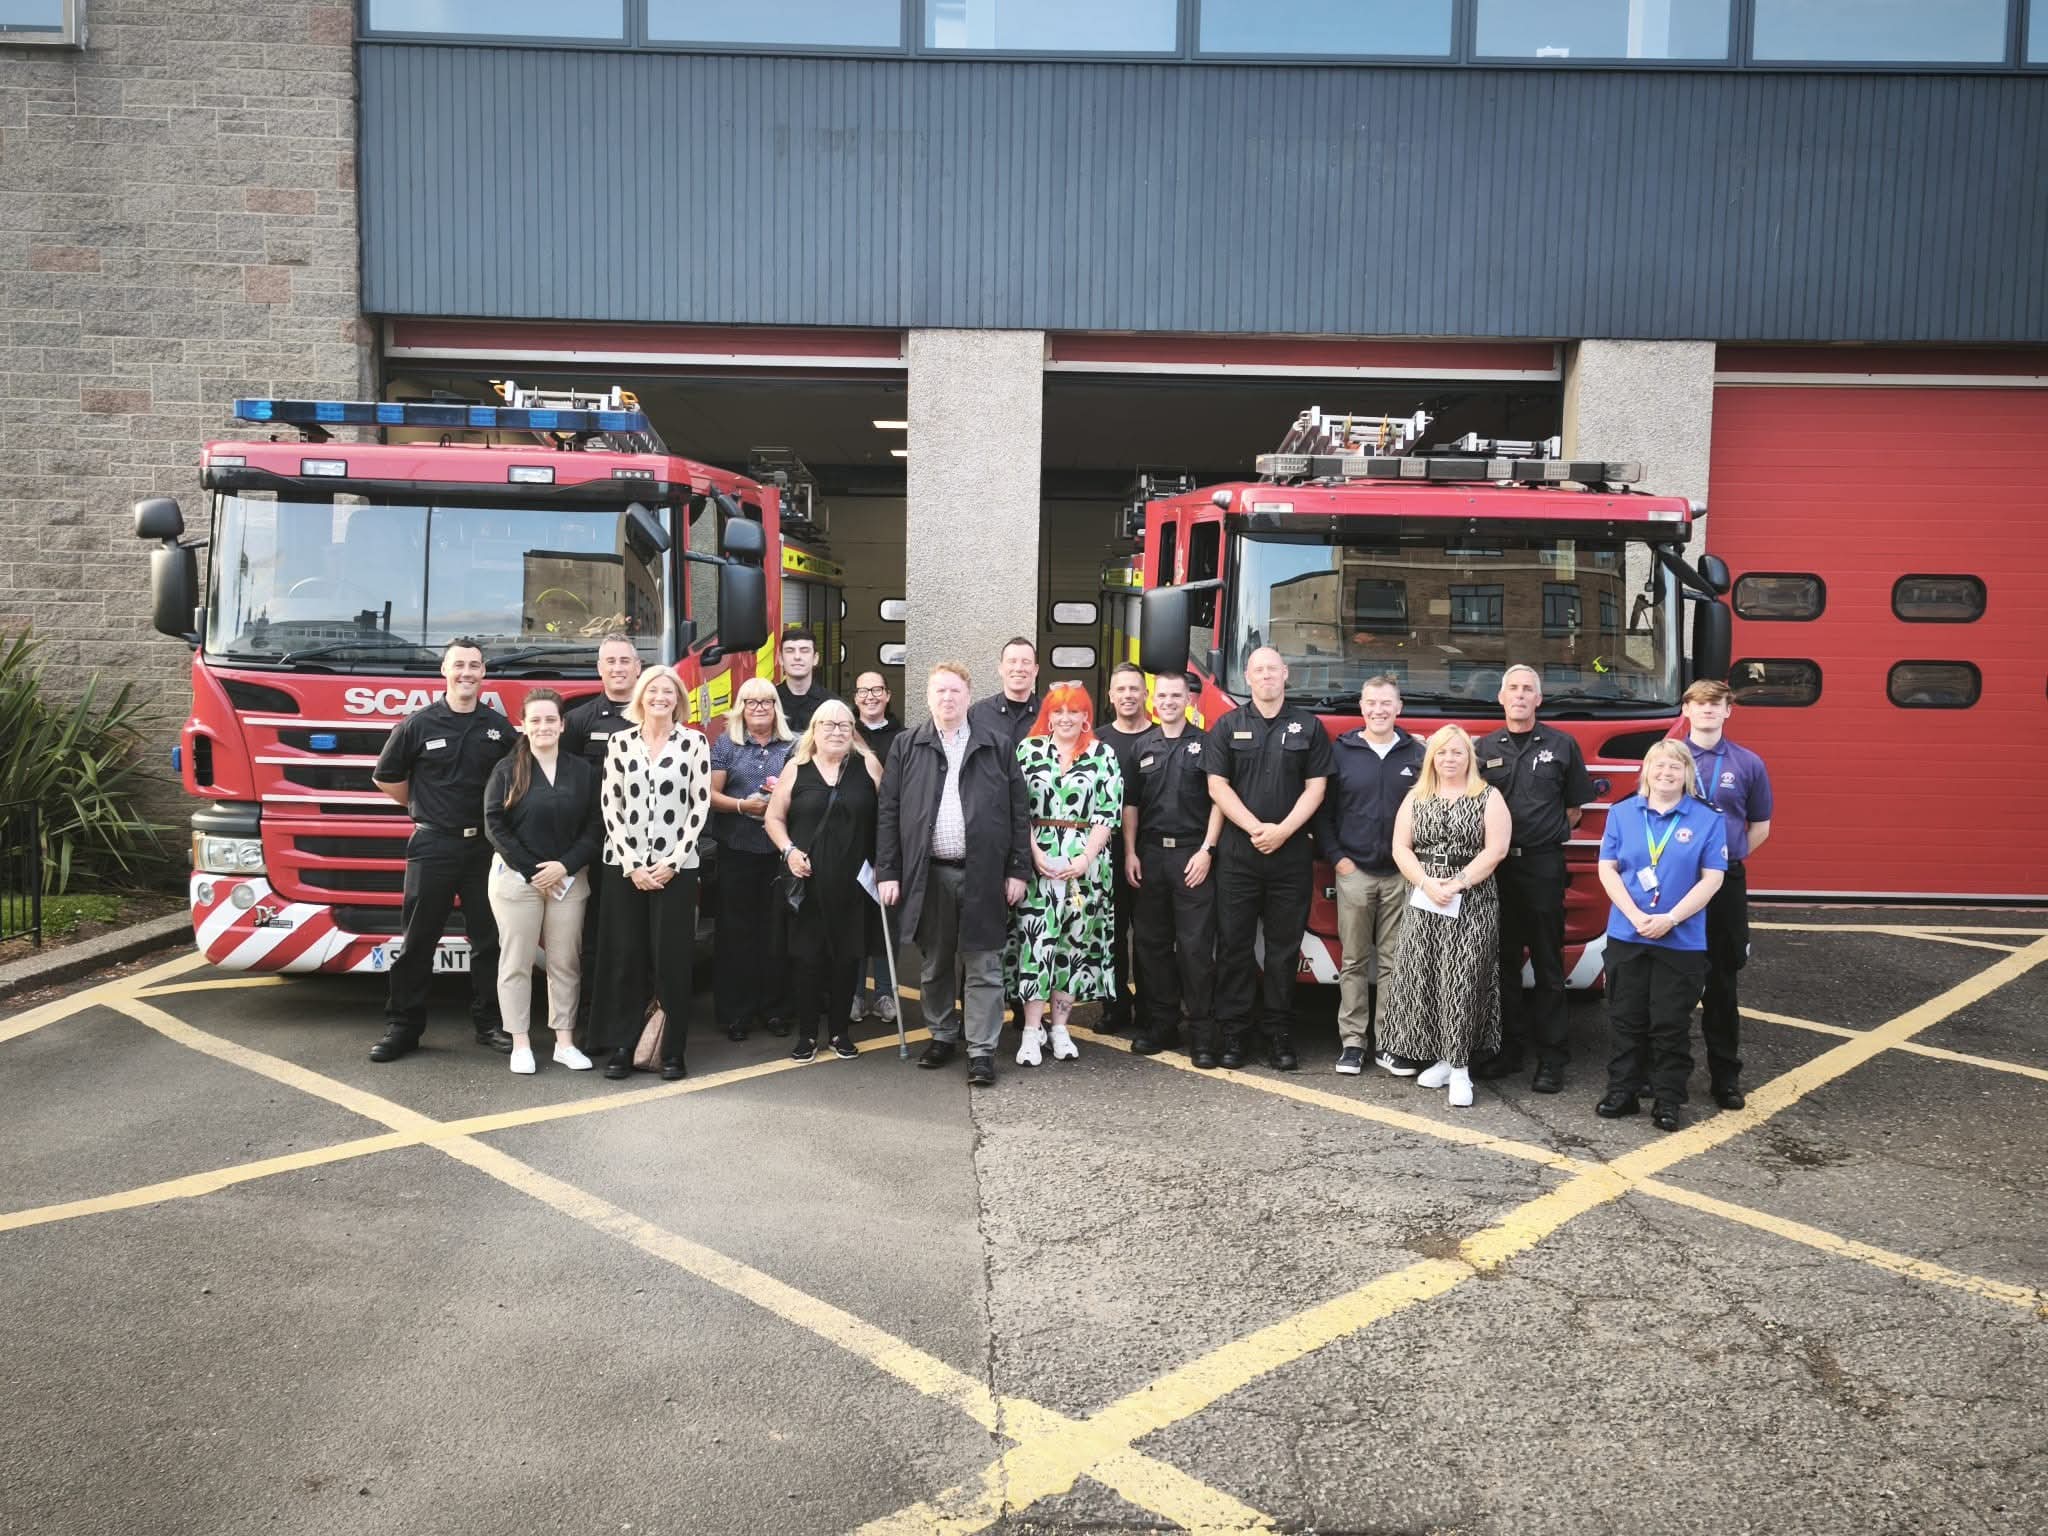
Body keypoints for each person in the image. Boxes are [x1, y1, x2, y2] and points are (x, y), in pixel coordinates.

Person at [876, 661, 1031, 1088]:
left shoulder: (996, 746)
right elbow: (888, 812)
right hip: (930, 875)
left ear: (968, 696)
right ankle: (942, 1035)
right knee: (935, 963)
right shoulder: (907, 746)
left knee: (984, 964)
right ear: (929, 698)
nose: (948, 698)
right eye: (940, 692)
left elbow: (1020, 813)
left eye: (955, 692)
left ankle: (981, 1051)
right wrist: (888, 871)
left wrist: (1018, 868)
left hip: (984, 875)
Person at [368, 639, 515, 1064]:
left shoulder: (498, 728)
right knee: (418, 939)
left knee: (489, 940)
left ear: (483, 673)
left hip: (485, 849)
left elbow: (515, 781)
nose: (466, 673)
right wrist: (423, 807)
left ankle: (490, 1022)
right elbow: (387, 777)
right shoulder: (418, 724)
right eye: (458, 665)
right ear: (444, 672)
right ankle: (404, 1026)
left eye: (474, 665)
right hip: (432, 843)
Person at [1204, 646, 1333, 1071]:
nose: (1265, 677)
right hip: (1239, 855)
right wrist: (1256, 828)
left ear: (1285, 674)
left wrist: (1282, 831)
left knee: (1283, 950)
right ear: (1248, 677)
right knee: (1235, 948)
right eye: (1258, 671)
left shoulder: (1309, 727)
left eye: (1272, 670)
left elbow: (1316, 788)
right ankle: (1234, 1035)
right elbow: (1218, 787)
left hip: (1290, 854)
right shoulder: (1227, 725)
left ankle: (1278, 1034)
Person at [1472, 664, 1596, 1094]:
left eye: (1528, 689)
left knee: (1547, 964)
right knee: (1502, 963)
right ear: (1501, 698)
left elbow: (1574, 810)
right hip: (1498, 868)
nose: (1520, 695)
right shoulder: (1484, 747)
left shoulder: (1562, 746)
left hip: (1543, 866)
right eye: (1513, 689)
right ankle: (1509, 1051)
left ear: (1539, 700)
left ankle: (1552, 1059)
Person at [1595, 740, 1728, 1132]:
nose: (1666, 773)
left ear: (1686, 774)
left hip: (1680, 939)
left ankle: (1669, 1100)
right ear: (1646, 771)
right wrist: (1635, 914)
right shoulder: (1621, 813)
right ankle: (1623, 1091)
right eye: (1659, 766)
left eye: (1675, 767)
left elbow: (1713, 878)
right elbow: (1608, 868)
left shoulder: (1708, 819)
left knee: (1670, 1023)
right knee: (1625, 1018)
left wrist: (1670, 918)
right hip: (1628, 933)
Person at [1376, 725, 1512, 1108]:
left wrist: (1458, 883)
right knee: (1430, 976)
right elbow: (1400, 848)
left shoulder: (1488, 796)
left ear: (1470, 757)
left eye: (1457, 752)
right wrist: (1425, 882)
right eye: (1442, 752)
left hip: (1472, 899)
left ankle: (1461, 1069)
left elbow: (1496, 849)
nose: (1449, 759)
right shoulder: (1416, 797)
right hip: (1424, 899)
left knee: (1465, 978)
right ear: (1431, 758)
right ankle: (1442, 1056)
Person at [592, 665, 711, 1082]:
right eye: (653, 690)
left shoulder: (695, 742)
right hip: (625, 869)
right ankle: (625, 1045)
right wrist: (632, 864)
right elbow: (611, 805)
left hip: (675, 870)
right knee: (627, 957)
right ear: (640, 697)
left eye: (668, 691)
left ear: (678, 698)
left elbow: (699, 807)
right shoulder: (619, 742)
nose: (660, 697)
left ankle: (671, 1051)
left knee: (672, 960)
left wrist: (673, 862)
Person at [1313, 674, 1428, 1077]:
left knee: (1396, 963)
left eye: (1386, 704)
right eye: (1371, 703)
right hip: (1354, 872)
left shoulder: (1417, 753)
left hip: (1401, 875)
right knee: (1354, 959)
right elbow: (1323, 813)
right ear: (1361, 707)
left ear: (1399, 708)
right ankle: (1353, 1042)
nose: (1378, 710)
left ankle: (1390, 1043)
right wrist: (1339, 859)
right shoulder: (1341, 752)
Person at [483, 689, 602, 1075]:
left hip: (568, 881)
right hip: (517, 881)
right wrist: (535, 869)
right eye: (535, 720)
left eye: (551, 720)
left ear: (563, 725)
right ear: (523, 724)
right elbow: (494, 826)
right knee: (515, 962)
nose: (543, 726)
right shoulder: (507, 769)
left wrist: (564, 867)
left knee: (565, 962)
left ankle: (564, 1042)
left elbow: (595, 827)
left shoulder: (582, 771)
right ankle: (520, 1043)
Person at [1008, 682, 1124, 1066]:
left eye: (1073, 711)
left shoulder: (1103, 755)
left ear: (1086, 715)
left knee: (1071, 948)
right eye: (1058, 711)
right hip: (1038, 862)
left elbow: (1108, 813)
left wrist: (1086, 858)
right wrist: (1033, 851)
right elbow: (1016, 807)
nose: (1065, 718)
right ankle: (1030, 1030)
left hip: (1085, 867)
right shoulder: (1028, 750)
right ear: (1048, 715)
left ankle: (1060, 1027)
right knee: (1035, 946)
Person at [765, 699, 883, 1063]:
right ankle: (806, 1035)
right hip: (808, 881)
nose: (836, 732)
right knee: (807, 959)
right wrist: (789, 852)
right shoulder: (796, 768)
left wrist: (884, 864)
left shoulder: (869, 766)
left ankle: (840, 1032)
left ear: (853, 732)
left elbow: (889, 818)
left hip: (854, 883)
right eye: (828, 725)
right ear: (814, 731)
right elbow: (773, 818)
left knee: (847, 960)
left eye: (844, 726)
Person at [1678, 679, 1774, 1111]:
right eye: (1700, 704)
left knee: (1721, 983)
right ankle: (1667, 1075)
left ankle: (1725, 1078)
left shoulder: (1748, 762)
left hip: (1725, 883)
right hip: (1676, 882)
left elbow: (1759, 827)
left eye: (1716, 705)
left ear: (1728, 711)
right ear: (1687, 710)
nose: (1708, 711)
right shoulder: (1668, 759)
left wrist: (1721, 863)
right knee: (1674, 981)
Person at [1121, 670, 1224, 1065]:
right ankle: (1162, 1025)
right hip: (1150, 856)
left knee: (1196, 949)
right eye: (1161, 695)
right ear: (1153, 699)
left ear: (1188, 699)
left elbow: (1218, 799)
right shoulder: (1142, 747)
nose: (1167, 701)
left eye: (1175, 695)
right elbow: (1131, 806)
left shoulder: (1207, 744)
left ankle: (1201, 1034)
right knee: (1151, 946)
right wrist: (1131, 852)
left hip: (1192, 857)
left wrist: (1207, 850)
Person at [563, 633, 643, 1041]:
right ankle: (593, 1016)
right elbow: (565, 784)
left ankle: (636, 1012)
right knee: (593, 931)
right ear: (599, 669)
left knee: (634, 932)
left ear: (637, 667)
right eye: (609, 661)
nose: (617, 668)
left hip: (644, 845)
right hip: (596, 843)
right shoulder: (579, 721)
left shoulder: (653, 717)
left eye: (624, 661)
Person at [709, 678, 796, 1041]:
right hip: (737, 852)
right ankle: (736, 1013)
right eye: (751, 702)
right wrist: (745, 805)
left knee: (777, 934)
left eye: (766, 701)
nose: (759, 708)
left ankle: (775, 1010)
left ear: (776, 707)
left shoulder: (794, 745)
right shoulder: (726, 744)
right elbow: (710, 795)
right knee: (736, 934)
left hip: (778, 854)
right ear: (740, 708)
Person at [1095, 661, 1152, 1033]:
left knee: (1149, 936)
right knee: (1110, 934)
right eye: (1121, 690)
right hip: (1106, 852)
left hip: (1154, 852)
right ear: (1111, 696)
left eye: (1135, 689)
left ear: (1145, 694)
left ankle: (1150, 1009)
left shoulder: (1164, 737)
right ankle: (1114, 1006)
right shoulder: (1097, 741)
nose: (1128, 695)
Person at [850, 670, 905, 1026]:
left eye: (877, 690)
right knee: (853, 920)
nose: (870, 696)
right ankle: (854, 994)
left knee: (887, 918)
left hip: (888, 840)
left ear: (887, 695)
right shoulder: (842, 732)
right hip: (851, 839)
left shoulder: (903, 737)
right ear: (855, 698)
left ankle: (885, 992)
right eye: (862, 690)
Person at [967, 635, 1041, 750]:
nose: (1018, 668)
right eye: (1012, 661)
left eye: (1026, 662)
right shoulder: (977, 714)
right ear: (1000, 668)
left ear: (1036, 670)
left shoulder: (1050, 715)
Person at [775, 624, 837, 734]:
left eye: (804, 650)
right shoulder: (770, 702)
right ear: (780, 659)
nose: (797, 657)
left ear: (815, 658)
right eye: (790, 650)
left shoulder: (832, 704)